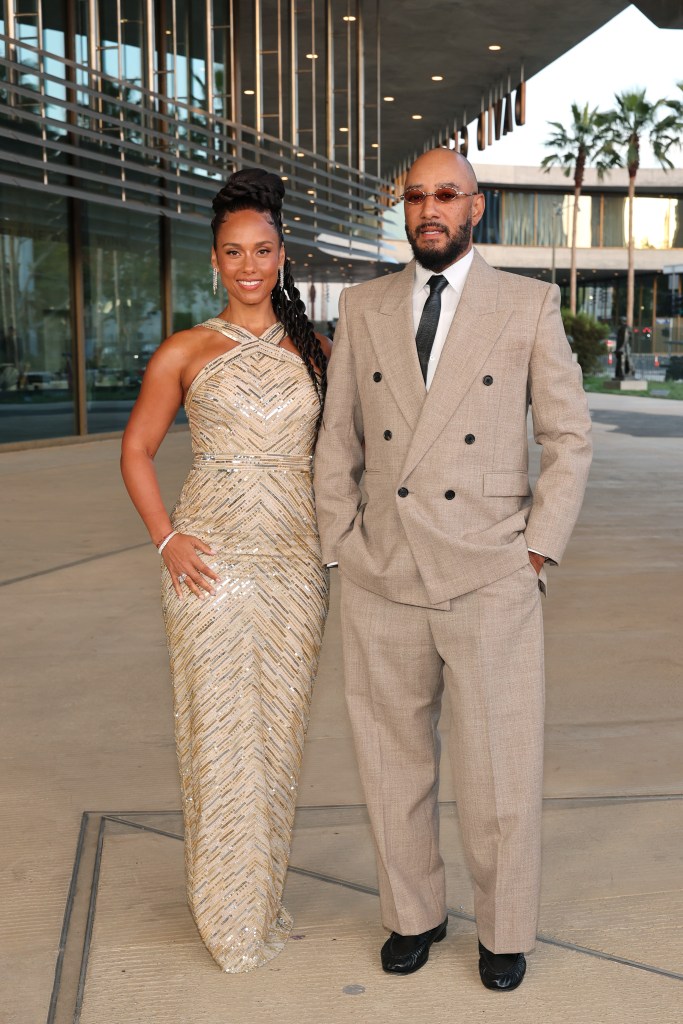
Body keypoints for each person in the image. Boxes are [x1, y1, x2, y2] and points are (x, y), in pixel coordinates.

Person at [313, 148, 592, 990]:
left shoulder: (528, 304)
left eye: (446, 195)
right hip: (382, 573)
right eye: (416, 197)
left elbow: (568, 438)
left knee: (498, 765)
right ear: (403, 210)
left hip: (488, 571)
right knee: (389, 761)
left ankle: (504, 929)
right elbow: (338, 438)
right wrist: (339, 541)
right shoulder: (363, 305)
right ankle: (413, 914)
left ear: (478, 206)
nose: (429, 209)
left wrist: (535, 551)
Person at [120, 168, 330, 972]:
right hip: (207, 564)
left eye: (263, 250)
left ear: (283, 256)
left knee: (276, 732)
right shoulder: (185, 349)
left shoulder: (317, 349)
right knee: (217, 733)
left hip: (292, 564)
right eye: (233, 252)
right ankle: (224, 913)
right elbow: (136, 451)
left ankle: (260, 896)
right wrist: (166, 538)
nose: (248, 265)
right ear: (215, 260)